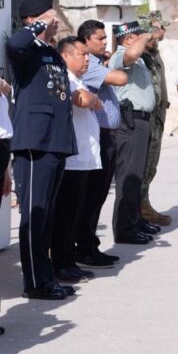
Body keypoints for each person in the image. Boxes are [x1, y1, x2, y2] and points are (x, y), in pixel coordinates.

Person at [7, 0, 77, 300]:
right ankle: (34, 282)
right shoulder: (26, 48)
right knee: (35, 215)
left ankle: (45, 278)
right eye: (51, 14)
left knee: (46, 215)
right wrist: (38, 25)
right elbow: (14, 44)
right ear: (33, 18)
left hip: (55, 140)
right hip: (35, 142)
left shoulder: (49, 51)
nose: (56, 19)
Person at [50, 37, 103, 283]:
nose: (87, 59)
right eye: (82, 54)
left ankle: (69, 260)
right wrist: (92, 99)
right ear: (65, 56)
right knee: (65, 214)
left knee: (75, 213)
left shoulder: (78, 80)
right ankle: (61, 263)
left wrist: (92, 98)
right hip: (72, 159)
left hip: (84, 158)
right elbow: (82, 99)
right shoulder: (65, 79)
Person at [77, 20, 127, 268]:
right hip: (97, 136)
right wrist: (111, 63)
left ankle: (88, 245)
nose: (105, 42)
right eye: (100, 38)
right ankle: (85, 248)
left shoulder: (97, 62)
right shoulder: (91, 66)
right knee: (92, 196)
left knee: (97, 195)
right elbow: (121, 78)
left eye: (106, 37)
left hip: (106, 135)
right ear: (85, 41)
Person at [109, 21, 159, 245]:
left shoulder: (139, 58)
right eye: (138, 35)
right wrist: (145, 36)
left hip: (142, 121)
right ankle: (125, 229)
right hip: (130, 122)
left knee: (137, 177)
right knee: (128, 177)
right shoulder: (121, 55)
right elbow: (131, 54)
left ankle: (135, 221)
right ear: (128, 38)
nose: (144, 38)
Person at [141, 12, 172, 226]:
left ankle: (144, 203)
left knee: (152, 163)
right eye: (159, 29)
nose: (162, 33)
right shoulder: (140, 55)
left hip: (158, 114)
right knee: (144, 163)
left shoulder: (154, 53)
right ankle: (140, 207)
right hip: (147, 116)